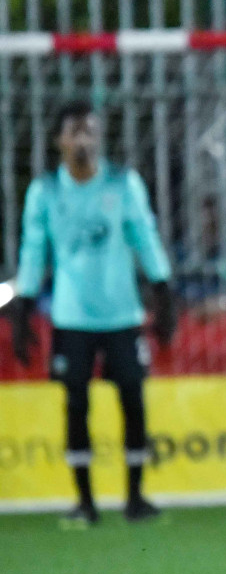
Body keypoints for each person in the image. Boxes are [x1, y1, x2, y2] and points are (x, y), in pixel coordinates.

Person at [10, 101, 176, 525]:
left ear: (99, 137)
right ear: (60, 141)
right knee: (75, 403)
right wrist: (23, 308)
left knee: (133, 402)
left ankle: (135, 498)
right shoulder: (45, 191)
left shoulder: (123, 184)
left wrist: (162, 290)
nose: (83, 139)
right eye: (75, 132)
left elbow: (145, 235)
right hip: (71, 318)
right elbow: (33, 250)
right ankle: (84, 502)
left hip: (122, 314)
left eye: (90, 131)